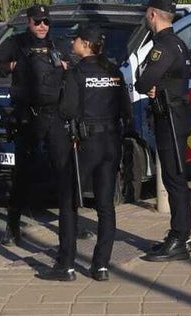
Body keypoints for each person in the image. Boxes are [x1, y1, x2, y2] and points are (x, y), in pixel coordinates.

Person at [39, 24, 131, 281]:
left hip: (86, 144)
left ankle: (66, 265)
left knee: (68, 202)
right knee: (105, 206)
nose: (72, 44)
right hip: (111, 142)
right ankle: (101, 265)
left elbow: (67, 111)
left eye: (75, 39)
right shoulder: (114, 72)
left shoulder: (77, 73)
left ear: (86, 44)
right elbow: (126, 109)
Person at [0, 3, 69, 246]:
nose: (42, 26)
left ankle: (70, 224)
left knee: (63, 172)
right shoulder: (17, 43)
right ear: (28, 22)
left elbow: (75, 69)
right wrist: (11, 66)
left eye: (46, 22)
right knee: (22, 174)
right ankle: (12, 226)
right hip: (28, 116)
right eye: (37, 21)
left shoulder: (57, 44)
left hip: (55, 116)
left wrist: (66, 66)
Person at [131, 0, 191, 262]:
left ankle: (180, 237)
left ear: (153, 15)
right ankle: (181, 236)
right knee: (174, 176)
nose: (146, 16)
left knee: (173, 178)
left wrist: (148, 82)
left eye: (147, 12)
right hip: (176, 114)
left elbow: (143, 82)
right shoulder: (177, 43)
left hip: (169, 117)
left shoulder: (164, 47)